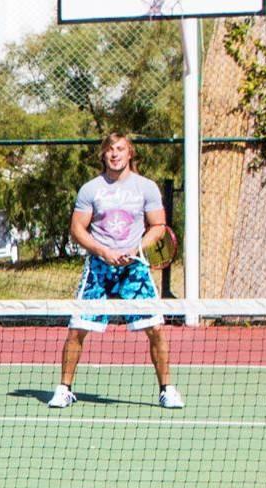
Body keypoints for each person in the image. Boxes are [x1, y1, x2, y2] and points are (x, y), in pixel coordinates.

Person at [51, 130, 183, 410]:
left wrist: (136, 250)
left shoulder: (146, 187)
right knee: (77, 329)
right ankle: (64, 389)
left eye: (120, 149)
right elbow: (77, 229)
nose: (115, 154)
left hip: (134, 268)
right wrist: (104, 252)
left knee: (156, 329)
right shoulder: (90, 189)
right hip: (99, 267)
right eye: (110, 150)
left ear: (130, 153)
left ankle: (167, 389)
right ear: (104, 154)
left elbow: (158, 226)